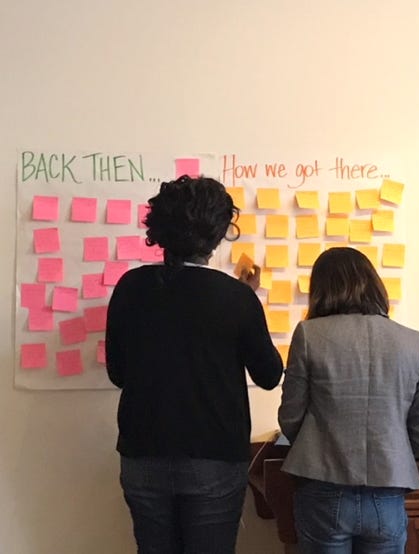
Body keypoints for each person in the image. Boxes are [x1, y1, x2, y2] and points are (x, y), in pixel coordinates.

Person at [105, 175, 283, 554]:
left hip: (143, 450)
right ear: (218, 233)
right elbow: (269, 375)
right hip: (214, 455)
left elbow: (117, 373)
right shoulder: (236, 297)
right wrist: (247, 306)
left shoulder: (130, 287)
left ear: (159, 228)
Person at [278, 247, 419, 554]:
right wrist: (392, 452)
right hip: (388, 486)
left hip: (322, 485)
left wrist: (319, 444)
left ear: (321, 289)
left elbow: (290, 418)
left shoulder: (309, 334)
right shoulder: (414, 341)